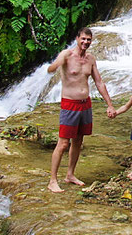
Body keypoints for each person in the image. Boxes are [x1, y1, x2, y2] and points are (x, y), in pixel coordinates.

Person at [46, 27, 116, 193]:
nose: (85, 42)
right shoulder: (67, 55)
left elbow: (99, 82)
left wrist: (110, 104)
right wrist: (55, 65)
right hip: (69, 104)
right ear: (77, 38)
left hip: (85, 105)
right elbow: (51, 69)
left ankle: (70, 174)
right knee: (63, 143)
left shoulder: (90, 59)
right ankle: (52, 180)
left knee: (78, 141)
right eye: (83, 39)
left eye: (88, 40)